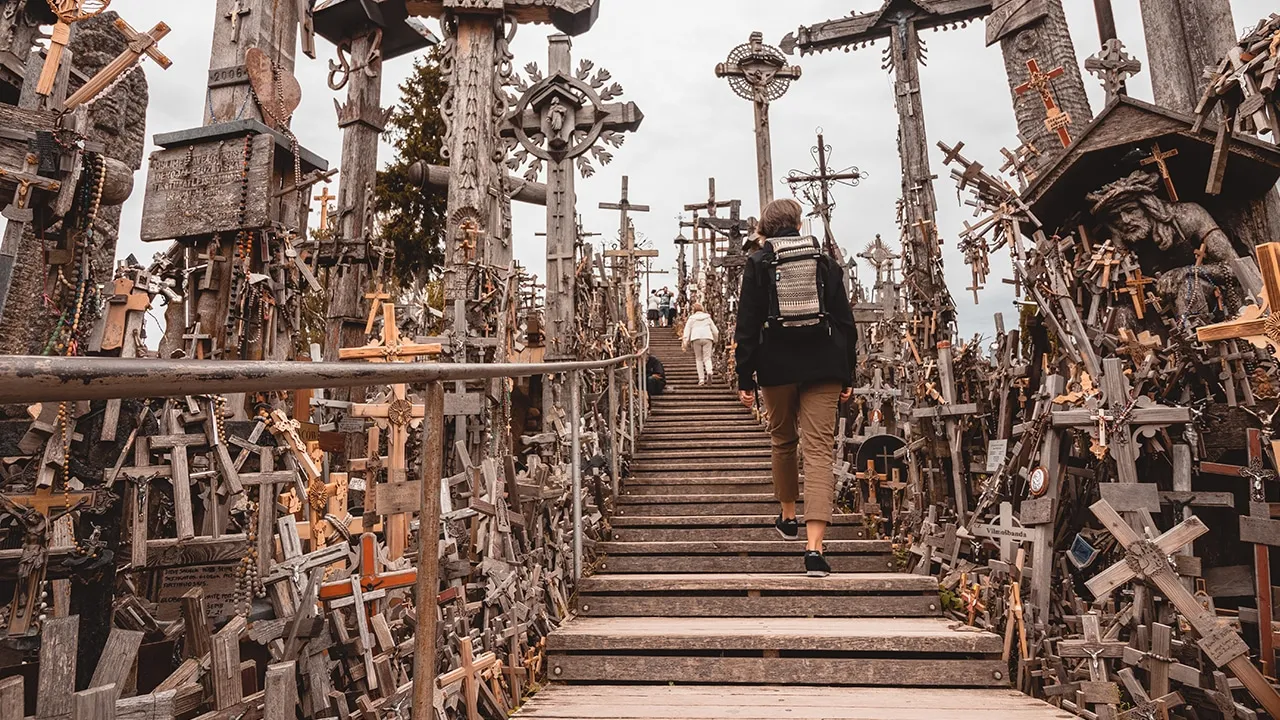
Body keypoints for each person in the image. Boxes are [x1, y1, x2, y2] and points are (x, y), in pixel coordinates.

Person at [735, 198, 856, 578]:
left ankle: (788, 514)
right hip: (825, 365)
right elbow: (846, 321)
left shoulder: (758, 264)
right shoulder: (824, 261)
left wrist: (745, 377)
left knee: (783, 440)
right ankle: (815, 549)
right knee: (819, 452)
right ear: (799, 224)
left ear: (766, 228)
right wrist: (848, 373)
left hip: (776, 365)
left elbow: (748, 324)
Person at [682, 302, 719, 386]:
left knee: (699, 359)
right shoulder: (707, 318)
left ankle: (701, 379)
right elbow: (716, 331)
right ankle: (709, 372)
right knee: (707, 357)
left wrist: (685, 343)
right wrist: (715, 340)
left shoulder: (691, 318)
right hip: (707, 337)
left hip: (696, 338)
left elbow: (686, 331)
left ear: (693, 310)